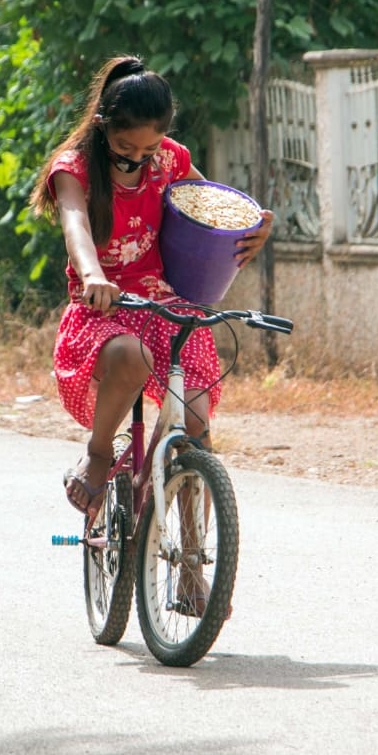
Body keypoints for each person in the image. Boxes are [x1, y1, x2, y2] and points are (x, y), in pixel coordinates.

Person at [28, 55, 274, 518]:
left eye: (148, 149)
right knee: (130, 356)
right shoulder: (74, 167)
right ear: (102, 125)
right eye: (125, 147)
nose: (137, 158)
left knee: (196, 427)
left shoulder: (171, 160)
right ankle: (99, 455)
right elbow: (75, 223)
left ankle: (192, 567)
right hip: (104, 307)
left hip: (168, 306)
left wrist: (251, 228)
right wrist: (93, 276)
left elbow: (210, 207)